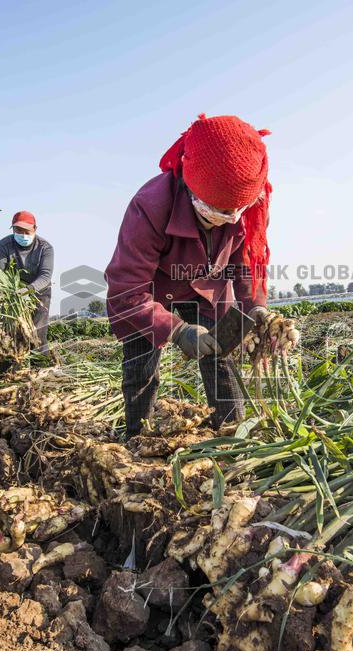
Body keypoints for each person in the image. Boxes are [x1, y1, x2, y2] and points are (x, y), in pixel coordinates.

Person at [105, 114, 278, 439]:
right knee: (141, 366)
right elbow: (126, 291)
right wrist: (179, 330)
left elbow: (246, 264)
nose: (225, 220)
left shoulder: (250, 203)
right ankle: (137, 438)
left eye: (233, 213)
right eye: (214, 211)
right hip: (152, 293)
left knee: (221, 355)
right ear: (190, 186)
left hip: (208, 290)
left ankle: (232, 435)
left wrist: (255, 308)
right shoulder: (150, 207)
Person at [0, 211, 54, 363]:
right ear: (12, 229)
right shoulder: (4, 245)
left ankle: (41, 371)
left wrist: (27, 290)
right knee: (10, 333)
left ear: (35, 229)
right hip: (12, 295)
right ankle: (6, 375)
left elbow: (45, 276)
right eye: (18, 230)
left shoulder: (45, 248)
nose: (23, 234)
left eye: (27, 231)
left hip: (39, 292)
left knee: (37, 333)